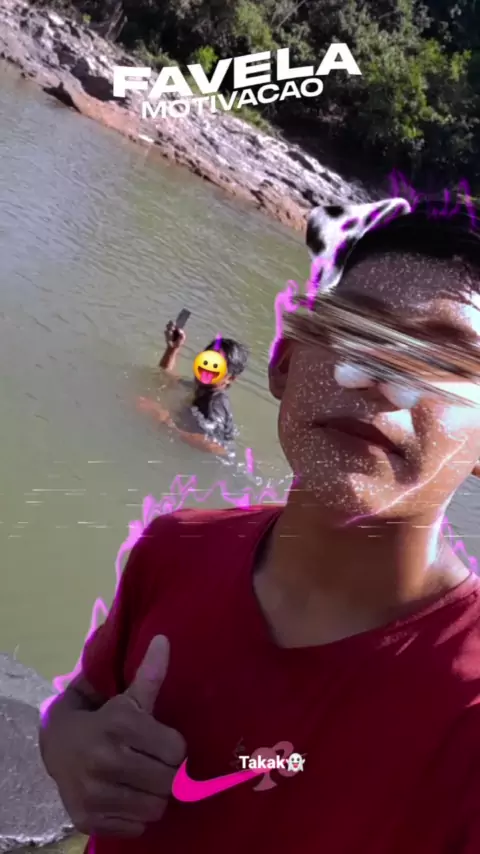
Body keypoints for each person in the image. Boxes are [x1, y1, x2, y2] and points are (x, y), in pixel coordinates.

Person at [39, 195, 480, 854]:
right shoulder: (174, 548)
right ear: (285, 361)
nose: (379, 380)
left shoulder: (466, 712)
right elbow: (80, 700)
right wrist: (70, 746)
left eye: (444, 363)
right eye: (357, 330)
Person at [136, 322, 248, 456]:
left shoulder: (216, 404)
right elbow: (165, 376)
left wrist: (165, 421)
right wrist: (172, 349)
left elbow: (218, 448)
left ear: (230, 378)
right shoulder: (199, 386)